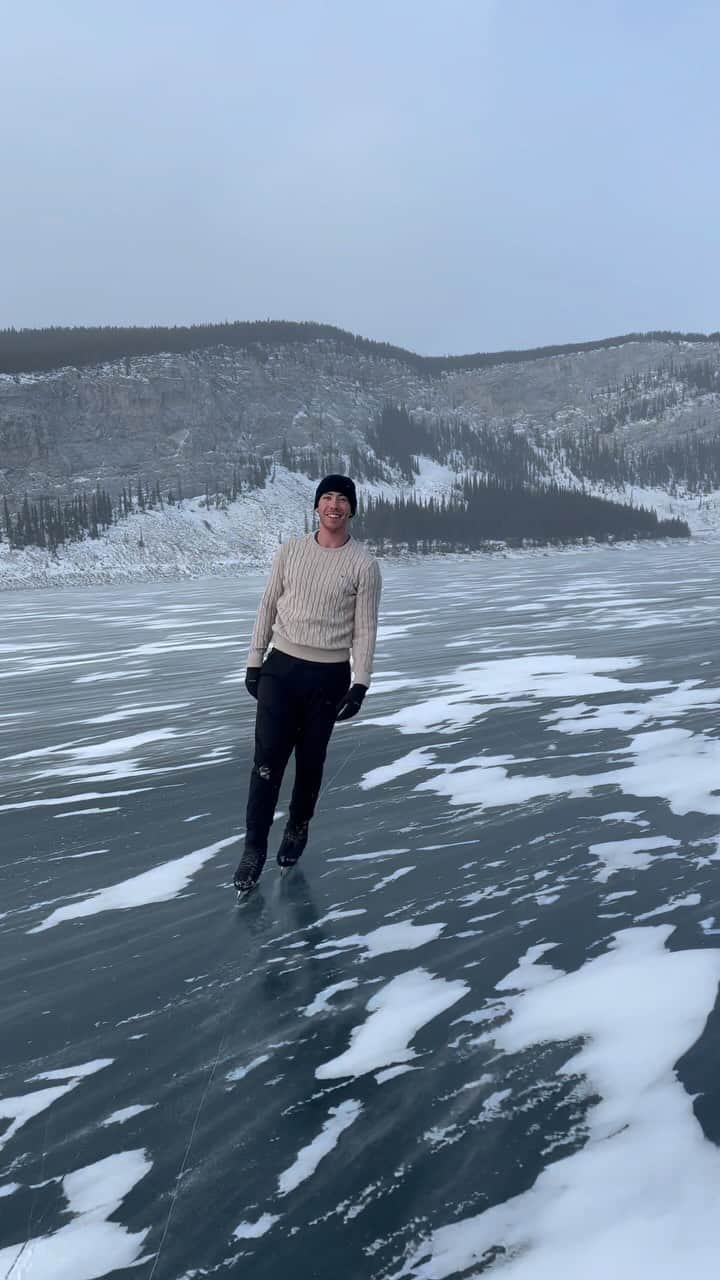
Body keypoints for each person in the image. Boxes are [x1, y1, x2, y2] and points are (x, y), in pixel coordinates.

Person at [233, 474, 382, 892]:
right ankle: (253, 848)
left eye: (342, 500)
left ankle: (298, 826)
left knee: (310, 764)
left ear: (352, 509)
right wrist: (254, 660)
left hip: (329, 676)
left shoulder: (363, 565)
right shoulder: (290, 552)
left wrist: (361, 683)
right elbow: (267, 605)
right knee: (266, 765)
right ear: (317, 506)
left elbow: (365, 629)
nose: (334, 505)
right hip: (281, 670)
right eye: (327, 498)